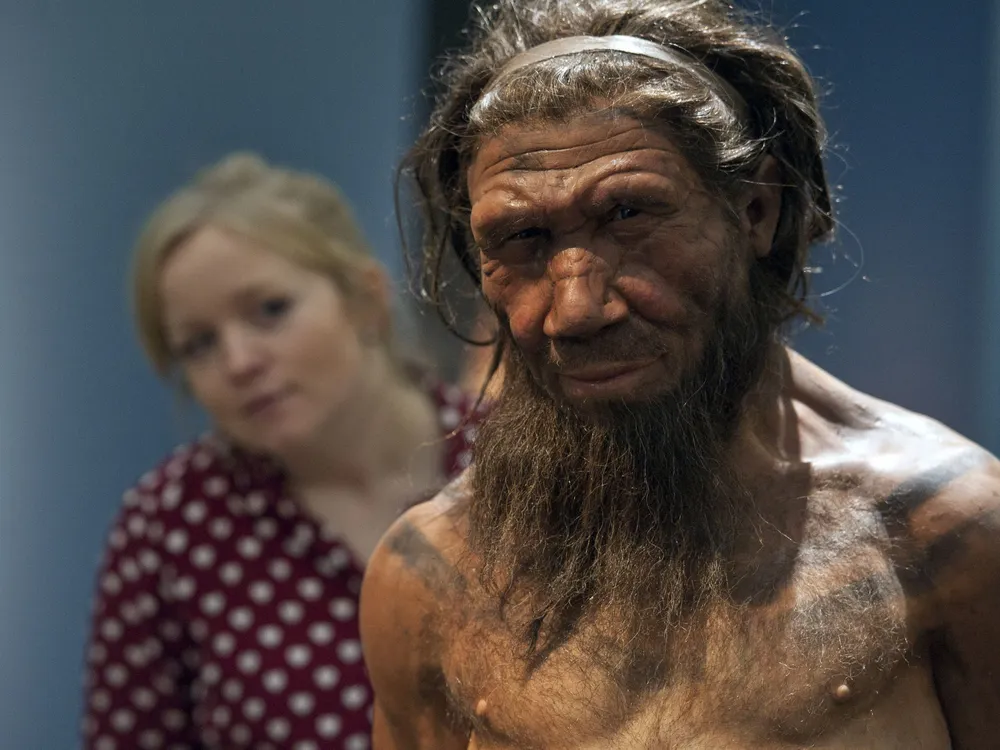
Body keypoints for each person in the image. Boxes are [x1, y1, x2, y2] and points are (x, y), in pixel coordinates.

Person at [359, 1, 1000, 748]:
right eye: (523, 238)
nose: (576, 309)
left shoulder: (945, 532)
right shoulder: (432, 581)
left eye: (630, 215)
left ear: (755, 211)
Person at [82, 153, 481, 750]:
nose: (239, 362)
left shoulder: (513, 456)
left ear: (364, 298)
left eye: (270, 310)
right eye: (199, 345)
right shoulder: (167, 527)